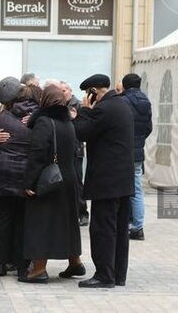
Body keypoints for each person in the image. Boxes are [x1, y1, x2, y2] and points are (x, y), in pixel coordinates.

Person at [73, 74, 134, 289]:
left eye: (88, 93)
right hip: (123, 181)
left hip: (106, 182)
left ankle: (104, 275)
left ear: (94, 91)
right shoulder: (122, 105)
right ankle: (118, 274)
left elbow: (81, 132)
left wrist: (83, 110)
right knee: (119, 231)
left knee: (103, 230)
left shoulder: (103, 109)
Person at [19, 84, 84, 284]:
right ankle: (75, 262)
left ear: (44, 101)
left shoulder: (44, 122)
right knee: (68, 223)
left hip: (49, 180)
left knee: (41, 223)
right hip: (68, 178)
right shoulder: (68, 123)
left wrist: (30, 183)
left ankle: (38, 270)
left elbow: (37, 154)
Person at [0, 78, 40, 277]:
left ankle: (0, 264)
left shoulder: (2, 113)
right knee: (22, 220)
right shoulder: (38, 117)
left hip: (2, 174)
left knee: (3, 220)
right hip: (26, 175)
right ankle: (21, 263)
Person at [121, 74, 152, 241]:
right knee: (137, 189)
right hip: (138, 150)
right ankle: (138, 227)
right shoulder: (146, 102)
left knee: (124, 188)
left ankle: (129, 224)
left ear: (125, 86)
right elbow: (149, 128)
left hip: (124, 150)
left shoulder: (124, 101)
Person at [60, 81, 89, 227]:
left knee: (77, 182)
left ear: (70, 91)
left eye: (64, 90)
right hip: (63, 150)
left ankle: (83, 212)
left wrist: (75, 118)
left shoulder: (77, 105)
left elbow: (82, 127)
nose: (62, 93)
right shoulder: (59, 106)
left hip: (76, 150)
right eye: (60, 90)